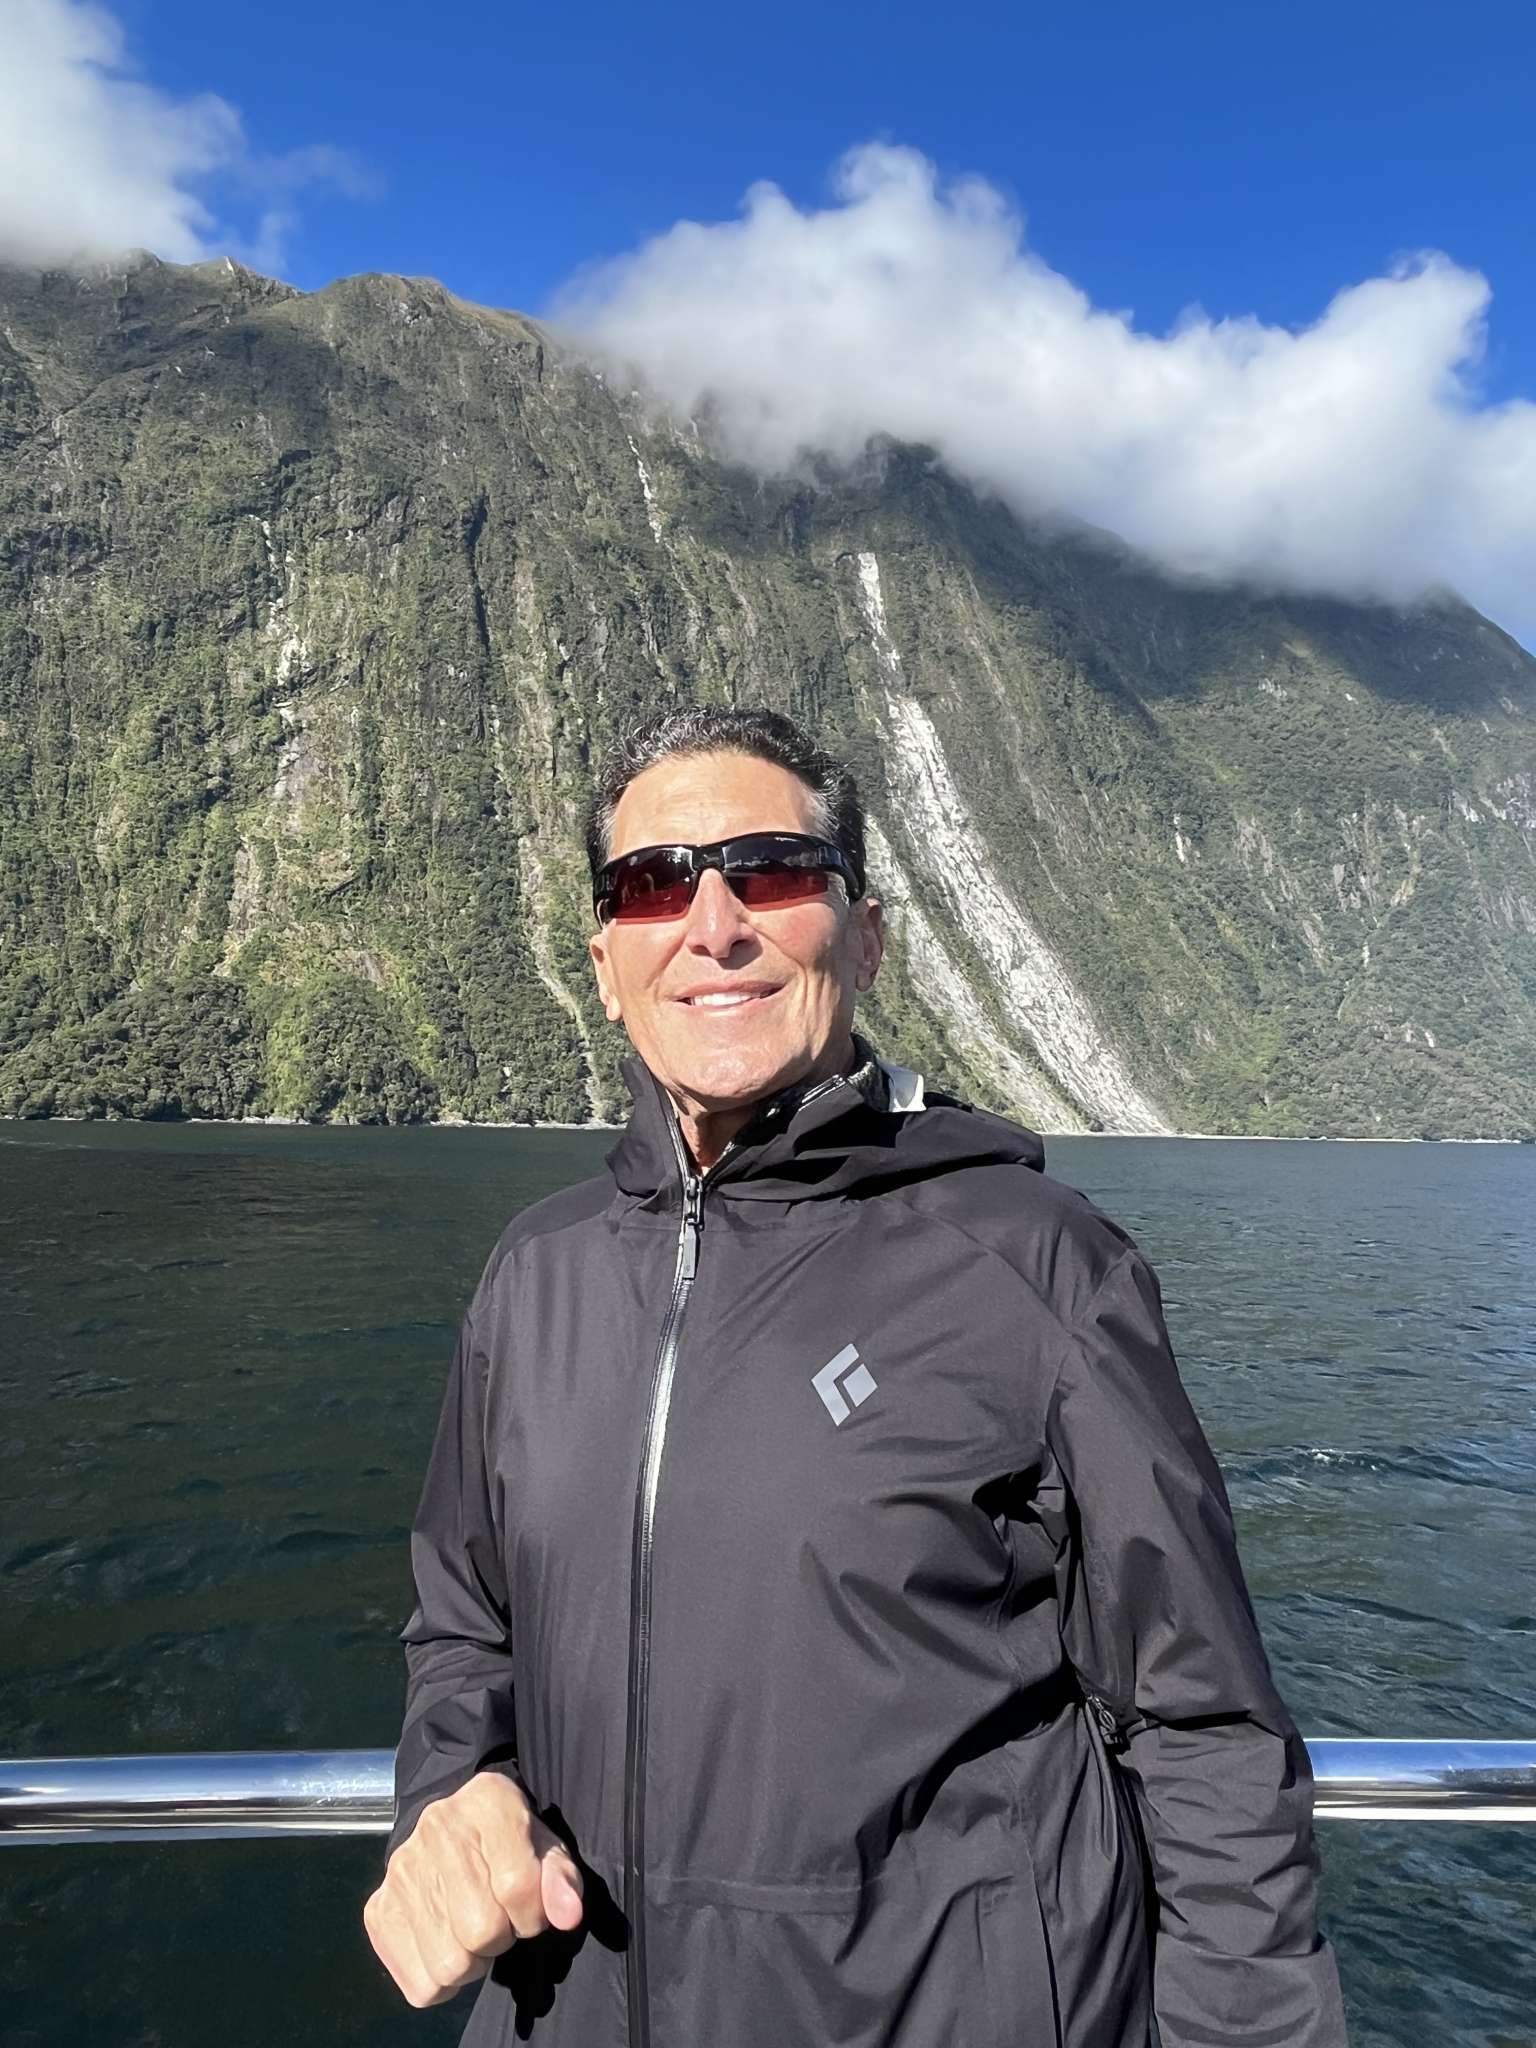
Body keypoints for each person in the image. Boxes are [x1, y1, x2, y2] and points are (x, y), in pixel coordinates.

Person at [363, 705, 1349, 2047]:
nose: (713, 924)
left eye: (767, 869)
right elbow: (463, 1632)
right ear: (606, 963)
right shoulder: (534, 1281)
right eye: (654, 885)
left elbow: (1205, 1732)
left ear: (864, 934)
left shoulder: (1040, 1267)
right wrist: (450, 1788)